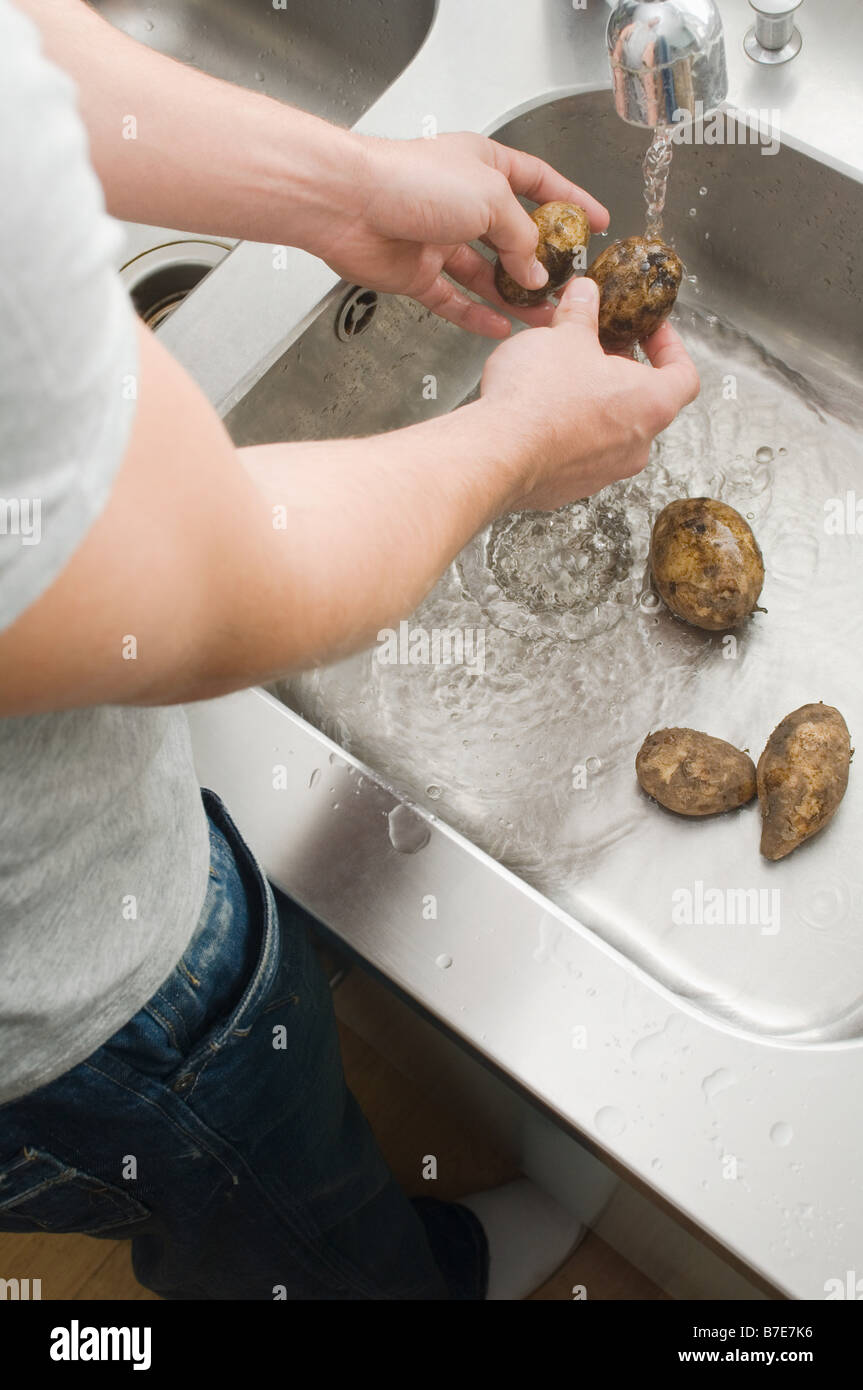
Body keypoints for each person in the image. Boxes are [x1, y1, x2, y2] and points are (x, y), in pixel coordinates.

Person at [0, 0, 699, 1300]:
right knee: (269, 1174)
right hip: (81, 991)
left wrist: (346, 186)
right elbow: (208, 590)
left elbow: (18, 67)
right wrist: (515, 445)